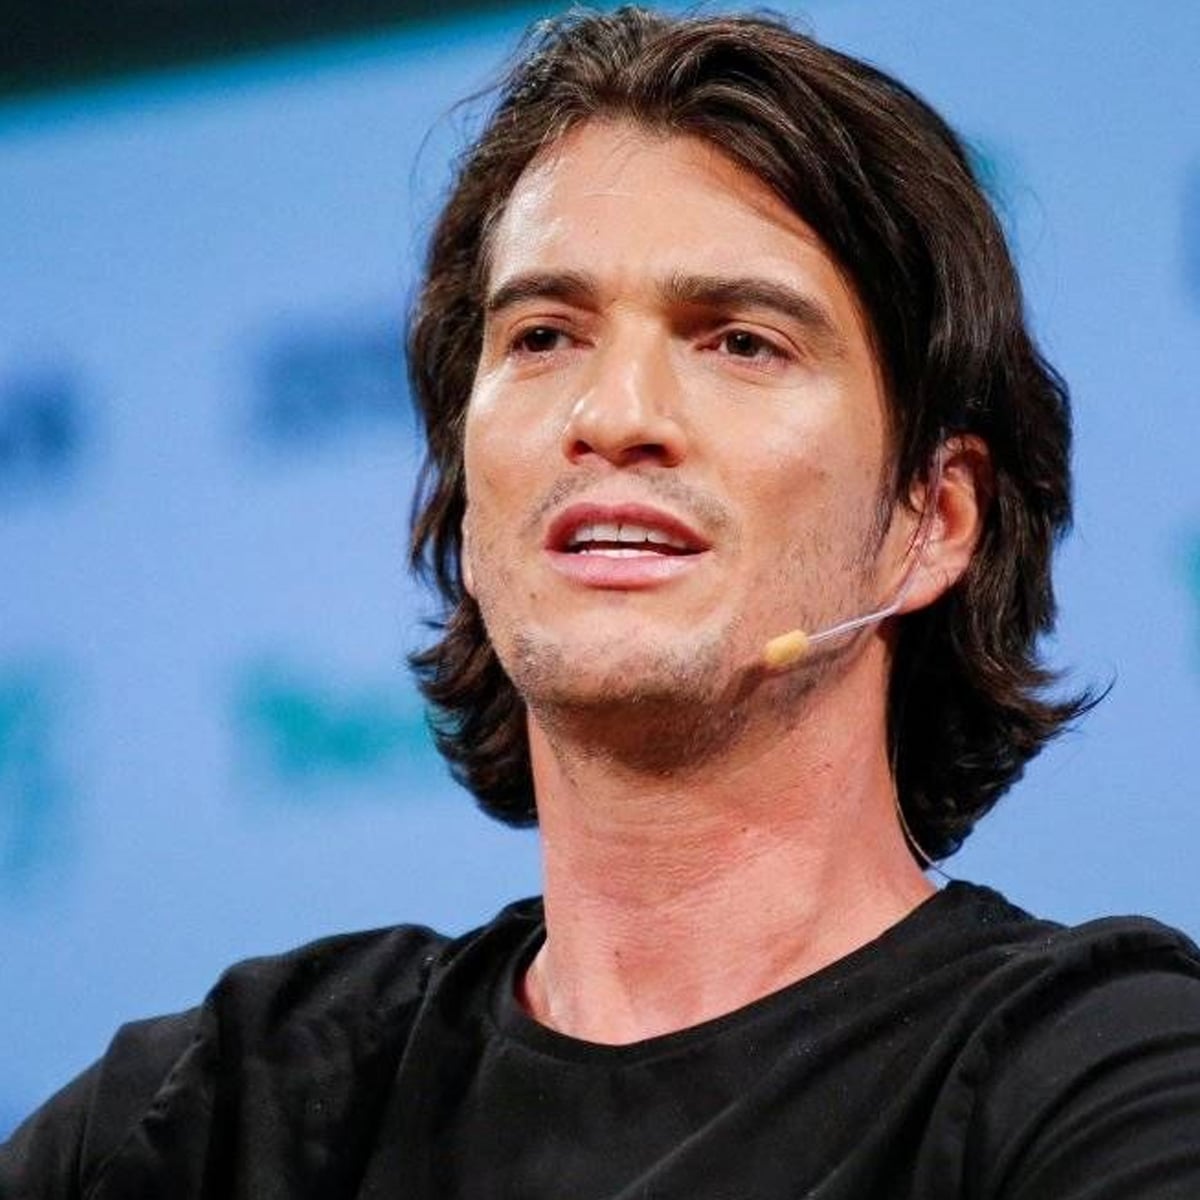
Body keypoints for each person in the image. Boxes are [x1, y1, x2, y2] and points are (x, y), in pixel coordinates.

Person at [4, 7, 1200, 1197]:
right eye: (544, 336)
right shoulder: (222, 1114)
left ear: (930, 521)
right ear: (469, 496)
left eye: (739, 341)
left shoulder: (1094, 1075)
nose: (615, 411)